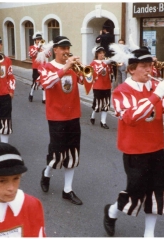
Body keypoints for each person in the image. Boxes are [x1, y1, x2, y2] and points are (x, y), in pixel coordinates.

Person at [103, 46, 164, 237]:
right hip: (134, 150)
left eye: (150, 65)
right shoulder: (121, 91)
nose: (150, 70)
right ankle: (112, 211)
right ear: (131, 69)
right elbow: (131, 117)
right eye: (144, 66)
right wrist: (158, 95)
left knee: (157, 192)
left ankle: (149, 234)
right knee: (135, 192)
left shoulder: (156, 88)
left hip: (156, 148)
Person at [38, 36, 87, 205]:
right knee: (57, 154)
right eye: (63, 48)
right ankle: (47, 172)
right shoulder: (47, 67)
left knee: (72, 154)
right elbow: (46, 83)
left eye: (68, 48)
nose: (67, 51)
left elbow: (87, 83)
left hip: (73, 115)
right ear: (55, 50)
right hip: (56, 116)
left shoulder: (73, 67)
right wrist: (65, 68)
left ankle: (68, 190)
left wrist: (84, 72)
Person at [90, 46, 113, 129]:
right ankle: (93, 116)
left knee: (106, 105)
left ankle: (103, 122)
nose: (102, 54)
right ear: (96, 54)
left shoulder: (106, 62)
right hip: (98, 86)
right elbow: (97, 72)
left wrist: (111, 65)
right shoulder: (93, 63)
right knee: (97, 105)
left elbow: (110, 73)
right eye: (100, 53)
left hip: (107, 86)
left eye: (103, 52)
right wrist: (105, 63)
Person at [28, 32, 48, 103]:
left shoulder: (43, 47)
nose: (39, 40)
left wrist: (45, 49)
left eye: (40, 39)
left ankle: (44, 98)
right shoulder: (32, 47)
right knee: (35, 82)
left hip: (43, 67)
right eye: (37, 39)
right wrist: (38, 48)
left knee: (44, 82)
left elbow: (49, 55)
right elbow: (31, 54)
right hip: (36, 67)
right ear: (35, 40)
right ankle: (31, 94)